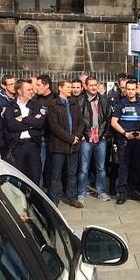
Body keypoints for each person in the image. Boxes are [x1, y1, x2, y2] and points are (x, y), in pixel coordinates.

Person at [46, 79, 85, 208]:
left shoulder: (74, 103)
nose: (71, 89)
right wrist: (70, 138)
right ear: (60, 88)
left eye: (71, 87)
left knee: (72, 173)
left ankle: (72, 197)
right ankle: (54, 198)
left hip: (74, 145)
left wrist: (77, 136)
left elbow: (81, 122)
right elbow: (54, 127)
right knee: (56, 173)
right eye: (68, 87)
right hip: (59, 145)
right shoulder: (53, 105)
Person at [2, 79, 46, 185]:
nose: (32, 91)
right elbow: (11, 125)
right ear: (20, 92)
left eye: (32, 89)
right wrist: (31, 123)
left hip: (33, 145)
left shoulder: (36, 105)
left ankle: (33, 200)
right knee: (17, 177)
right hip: (17, 146)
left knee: (35, 176)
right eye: (29, 89)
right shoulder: (9, 106)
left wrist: (23, 119)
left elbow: (40, 123)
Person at [77, 76, 113, 203]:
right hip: (86, 138)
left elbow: (109, 118)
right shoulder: (80, 101)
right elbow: (78, 120)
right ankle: (81, 192)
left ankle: (101, 191)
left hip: (100, 138)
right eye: (91, 85)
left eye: (95, 85)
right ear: (86, 86)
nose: (93, 87)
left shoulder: (104, 100)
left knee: (101, 167)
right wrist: (81, 135)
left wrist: (104, 135)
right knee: (83, 168)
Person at [110, 79, 140, 204]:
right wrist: (125, 133)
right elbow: (114, 122)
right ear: (125, 89)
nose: (130, 92)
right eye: (128, 89)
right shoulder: (120, 104)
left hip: (139, 139)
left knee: (136, 166)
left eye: (132, 89)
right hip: (124, 140)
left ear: (137, 89)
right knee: (123, 167)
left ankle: (133, 190)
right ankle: (122, 192)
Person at [35, 74, 55, 187]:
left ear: (46, 85)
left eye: (38, 85)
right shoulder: (35, 100)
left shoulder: (56, 99)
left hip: (53, 139)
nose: (36, 87)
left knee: (52, 169)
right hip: (40, 138)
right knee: (39, 167)